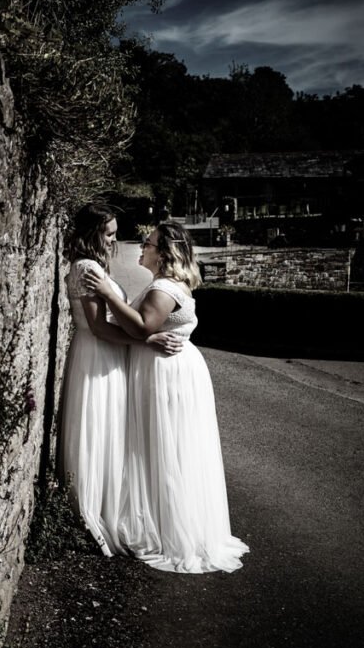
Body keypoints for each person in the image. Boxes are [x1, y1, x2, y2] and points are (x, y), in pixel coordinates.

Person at [83, 221, 249, 573]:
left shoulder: (161, 288)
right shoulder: (171, 283)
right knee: (172, 449)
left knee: (164, 448)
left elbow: (142, 327)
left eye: (149, 243)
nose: (142, 246)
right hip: (175, 371)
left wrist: (109, 295)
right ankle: (171, 524)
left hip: (166, 375)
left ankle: (170, 533)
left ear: (164, 252)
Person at [61, 205, 181, 557]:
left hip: (107, 354)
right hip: (96, 355)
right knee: (97, 429)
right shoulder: (85, 268)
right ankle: (90, 512)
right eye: (109, 234)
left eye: (114, 233)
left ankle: (106, 504)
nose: (114, 241)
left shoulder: (96, 267)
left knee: (110, 431)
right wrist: (147, 339)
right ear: (91, 234)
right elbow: (98, 326)